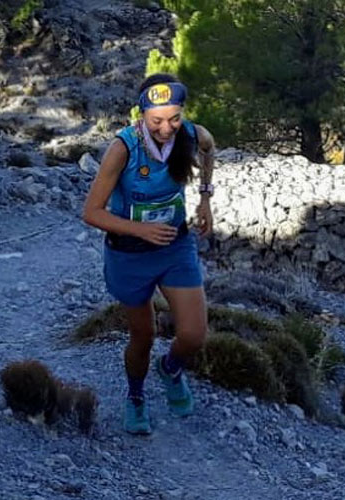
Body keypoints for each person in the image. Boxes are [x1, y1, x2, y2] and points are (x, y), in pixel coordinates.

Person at [82, 73, 216, 435]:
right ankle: (136, 396)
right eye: (157, 121)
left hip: (175, 245)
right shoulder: (122, 149)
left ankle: (171, 368)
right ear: (141, 115)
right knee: (143, 336)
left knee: (193, 335)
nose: (167, 128)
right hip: (130, 254)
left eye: (174, 118)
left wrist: (205, 197)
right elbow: (92, 212)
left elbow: (208, 146)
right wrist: (141, 229)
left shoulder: (189, 133)